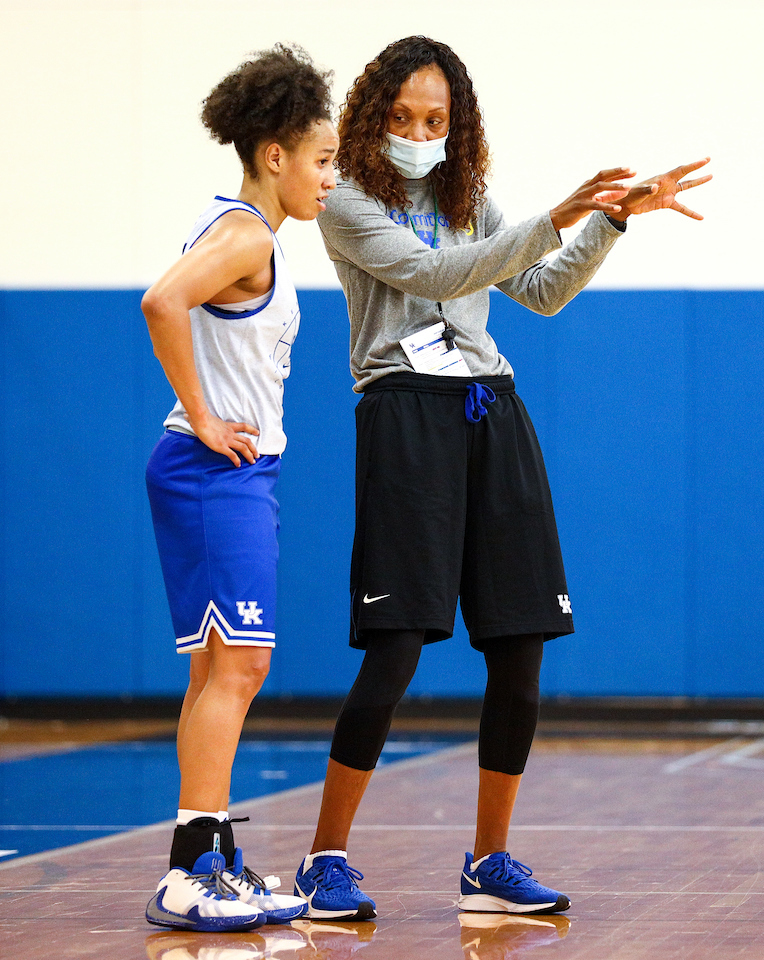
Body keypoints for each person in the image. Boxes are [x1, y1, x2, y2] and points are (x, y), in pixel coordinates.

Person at [292, 35, 710, 920]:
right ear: (373, 115)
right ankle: (324, 858)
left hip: (492, 409)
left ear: (458, 122)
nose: (419, 131)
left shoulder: (469, 196)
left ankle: (490, 861)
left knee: (520, 651)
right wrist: (552, 219)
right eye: (403, 116)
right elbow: (434, 271)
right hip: (406, 413)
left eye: (436, 119)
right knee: (397, 647)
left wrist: (611, 219)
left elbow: (543, 290)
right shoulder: (346, 202)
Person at [142, 44, 338, 932]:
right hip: (217, 471)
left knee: (217, 670)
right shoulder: (246, 233)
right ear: (276, 156)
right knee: (244, 665)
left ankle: (207, 856)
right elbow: (160, 301)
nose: (330, 178)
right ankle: (190, 875)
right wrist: (206, 414)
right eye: (324, 160)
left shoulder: (247, 230)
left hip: (219, 475)